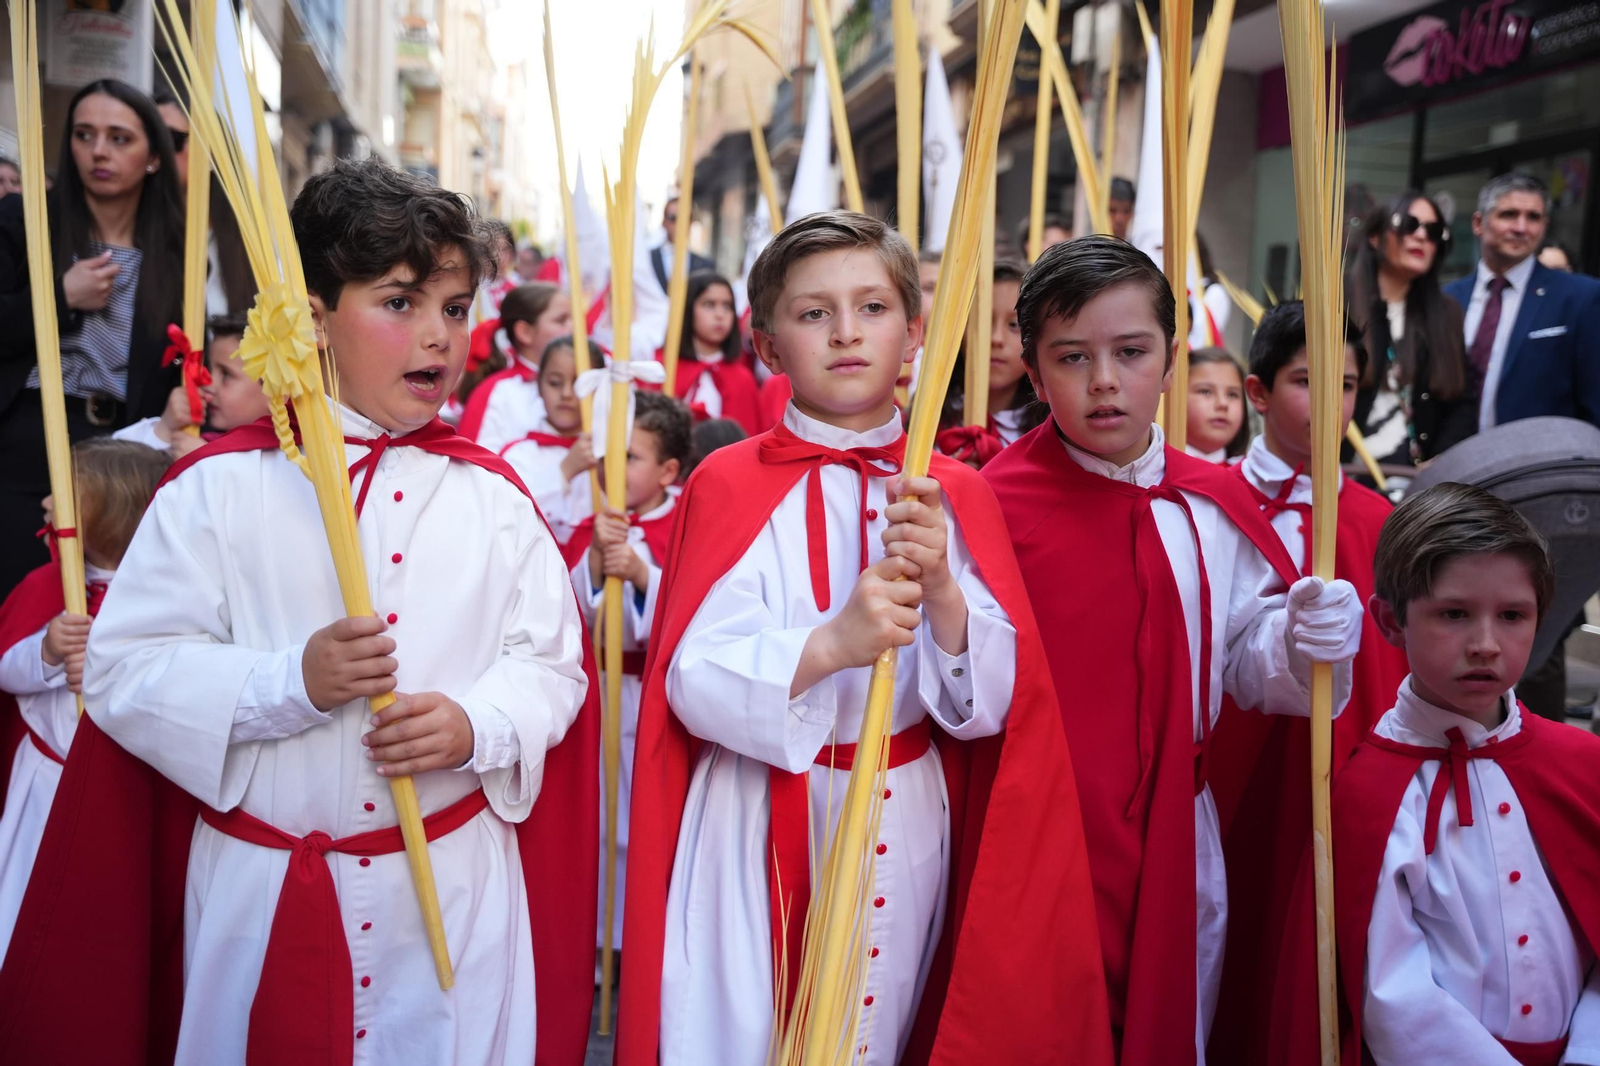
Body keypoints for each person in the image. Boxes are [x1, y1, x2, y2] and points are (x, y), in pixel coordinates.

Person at [0, 158, 599, 1065]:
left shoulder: (496, 499)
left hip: (450, 897)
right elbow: (125, 669)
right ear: (312, 315)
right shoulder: (217, 490)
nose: (438, 336)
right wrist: (291, 683)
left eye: (453, 306)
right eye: (399, 303)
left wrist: (477, 724)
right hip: (258, 889)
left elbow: (553, 665)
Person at [617, 210, 1112, 1066]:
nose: (846, 332)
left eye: (873, 308)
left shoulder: (956, 489)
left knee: (885, 1031)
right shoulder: (727, 482)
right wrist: (831, 644)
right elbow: (690, 680)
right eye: (813, 314)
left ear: (915, 334)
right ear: (767, 346)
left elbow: (995, 707)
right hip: (756, 822)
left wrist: (948, 593)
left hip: (908, 807)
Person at [981, 236, 1363, 1065]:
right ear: (1036, 373)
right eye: (1073, 357)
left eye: (1131, 352)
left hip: (1177, 836)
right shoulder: (988, 509)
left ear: (1170, 356)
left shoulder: (1214, 503)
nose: (1105, 381)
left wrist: (1300, 642)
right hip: (1034, 834)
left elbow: (1238, 662)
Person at [1271, 483, 1600, 1065]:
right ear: (1391, 621)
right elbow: (1394, 995)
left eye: (1512, 616)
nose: (1485, 644)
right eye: (1453, 613)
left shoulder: (1582, 765)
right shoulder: (1369, 794)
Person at [1204, 302, 1410, 1065]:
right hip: (1230, 776)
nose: (1331, 403)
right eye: (1305, 381)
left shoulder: (1378, 521)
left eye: (1348, 384)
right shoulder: (1206, 503)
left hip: (1337, 772)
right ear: (1256, 393)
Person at [0, 79, 184, 598]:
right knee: (19, 602)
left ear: (153, 157)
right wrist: (60, 298)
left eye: (119, 138)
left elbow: (175, 363)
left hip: (119, 450)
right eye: (84, 135)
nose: (99, 151)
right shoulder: (24, 221)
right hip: (25, 435)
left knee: (98, 610)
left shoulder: (177, 253)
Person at [0, 438, 169, 960]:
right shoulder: (43, 583)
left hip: (120, 784)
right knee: (23, 902)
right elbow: (8, 671)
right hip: (46, 781)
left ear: (112, 515)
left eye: (66, 493)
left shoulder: (164, 597)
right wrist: (47, 653)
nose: (47, 503)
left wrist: (105, 671)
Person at [560, 390, 689, 955]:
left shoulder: (687, 520)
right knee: (599, 819)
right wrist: (592, 563)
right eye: (609, 456)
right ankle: (599, 941)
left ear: (667, 470)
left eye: (631, 458)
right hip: (601, 693)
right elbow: (559, 608)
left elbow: (694, 608)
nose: (615, 469)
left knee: (646, 822)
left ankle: (642, 937)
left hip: (654, 695)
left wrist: (641, 574)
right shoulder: (591, 520)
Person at [1443, 173, 1600, 432]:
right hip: (1450, 463)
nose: (1521, 228)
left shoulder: (1580, 298)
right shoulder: (1448, 298)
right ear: (1479, 223)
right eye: (1508, 214)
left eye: (1533, 217)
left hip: (1541, 464)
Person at [1348, 190, 1472, 464]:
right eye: (1409, 225)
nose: (1421, 237)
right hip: (1338, 476)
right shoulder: (1338, 302)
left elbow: (1461, 401)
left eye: (1434, 230)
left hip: (1413, 484)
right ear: (1375, 236)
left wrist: (1439, 462)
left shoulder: (1447, 313)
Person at [935, 258, 1046, 467]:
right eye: (983, 322)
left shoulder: (1053, 435)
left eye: (1014, 325)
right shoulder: (923, 423)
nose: (996, 339)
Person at [499, 335, 601, 544]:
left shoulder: (611, 455)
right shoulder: (517, 455)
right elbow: (508, 517)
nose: (566, 394)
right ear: (539, 385)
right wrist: (565, 472)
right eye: (555, 383)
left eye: (579, 384)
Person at [456, 281, 573, 450]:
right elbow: (473, 463)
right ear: (525, 332)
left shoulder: (589, 381)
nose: (574, 328)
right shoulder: (497, 393)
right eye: (561, 321)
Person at [112, 314, 251, 453]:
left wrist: (204, 459)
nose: (208, 385)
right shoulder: (199, 439)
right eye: (208, 369)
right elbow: (123, 465)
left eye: (226, 375)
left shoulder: (270, 456)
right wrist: (165, 428)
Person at [659, 271, 762, 434]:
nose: (720, 315)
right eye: (709, 305)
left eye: (727, 306)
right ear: (688, 309)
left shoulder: (743, 380)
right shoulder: (663, 369)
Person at [1184, 347, 1247, 463]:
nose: (1223, 404)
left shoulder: (1249, 477)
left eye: (1232, 395)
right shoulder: (1154, 473)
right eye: (1206, 391)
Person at [1108, 176, 1135, 242]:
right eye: (1112, 211)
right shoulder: (1086, 250)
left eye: (1126, 211)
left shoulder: (1139, 249)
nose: (1119, 219)